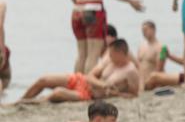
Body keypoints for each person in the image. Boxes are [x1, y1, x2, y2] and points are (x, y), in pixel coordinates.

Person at [11, 39, 140, 105]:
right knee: (43, 80)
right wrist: (103, 85)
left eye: (112, 54)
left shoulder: (130, 71)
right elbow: (89, 76)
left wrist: (114, 94)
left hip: (90, 95)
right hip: (82, 80)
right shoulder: (108, 60)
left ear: (121, 53)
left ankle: (29, 103)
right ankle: (19, 101)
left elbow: (134, 95)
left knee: (57, 93)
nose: (109, 56)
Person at [136, 19, 185, 90]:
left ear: (153, 30)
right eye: (142, 31)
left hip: (152, 81)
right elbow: (137, 65)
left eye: (145, 30)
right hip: (141, 80)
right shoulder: (141, 47)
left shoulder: (161, 47)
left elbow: (159, 69)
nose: (143, 33)